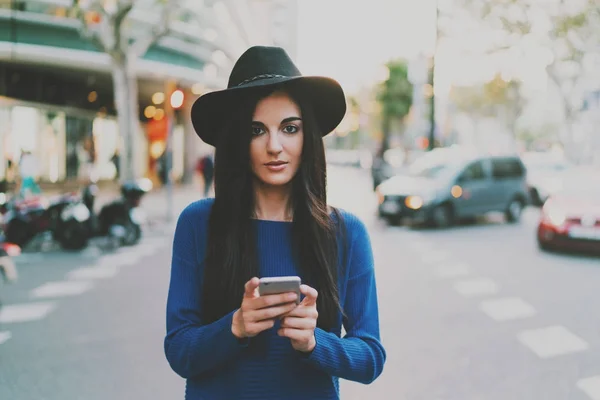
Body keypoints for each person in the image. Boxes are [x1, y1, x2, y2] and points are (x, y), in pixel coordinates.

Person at [164, 46, 385, 400]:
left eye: (289, 128)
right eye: (256, 130)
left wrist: (315, 342)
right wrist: (235, 326)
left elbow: (371, 357)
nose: (274, 146)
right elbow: (178, 349)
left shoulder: (346, 233)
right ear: (238, 140)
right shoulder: (198, 222)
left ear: (306, 136)